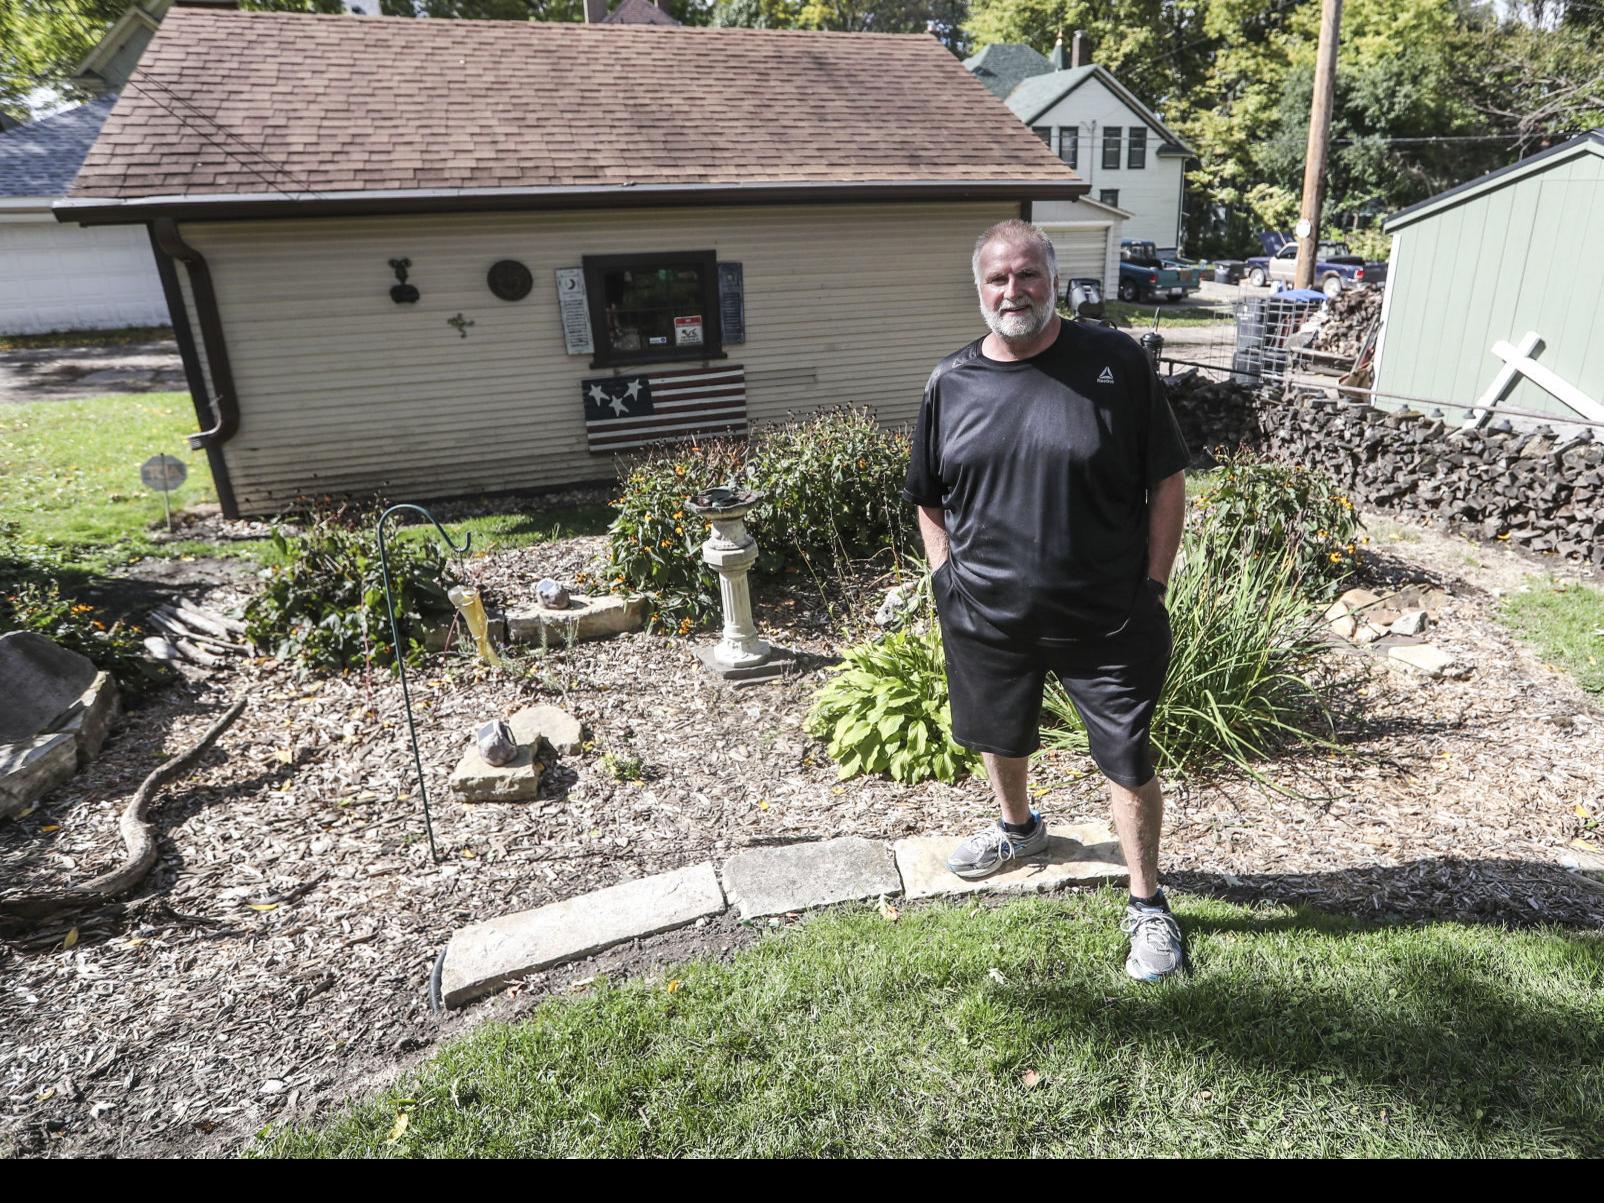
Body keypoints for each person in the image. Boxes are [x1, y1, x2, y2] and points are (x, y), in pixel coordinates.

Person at [903, 218, 1190, 981]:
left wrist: (1153, 586)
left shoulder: (1114, 361)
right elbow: (928, 499)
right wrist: (945, 580)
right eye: (998, 278)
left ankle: (1148, 903)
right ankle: (1018, 827)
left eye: (1027, 274)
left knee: (1126, 758)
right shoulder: (950, 382)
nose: (1013, 290)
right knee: (1003, 730)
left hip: (1109, 617)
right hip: (988, 614)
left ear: (1053, 280)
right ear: (978, 288)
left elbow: (1166, 479)